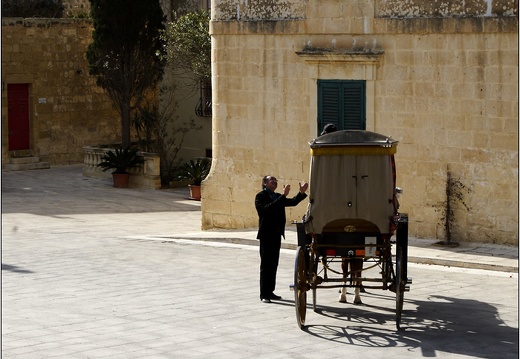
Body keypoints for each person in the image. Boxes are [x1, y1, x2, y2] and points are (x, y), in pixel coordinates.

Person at [255, 175, 308, 303]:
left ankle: (271, 291)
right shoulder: (260, 196)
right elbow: (266, 210)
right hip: (266, 235)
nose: (274, 182)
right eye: (271, 180)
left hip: (276, 234)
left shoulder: (278, 196)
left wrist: (301, 193)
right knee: (266, 264)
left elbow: (293, 202)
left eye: (275, 180)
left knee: (274, 264)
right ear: (265, 183)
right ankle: (264, 294)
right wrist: (282, 196)